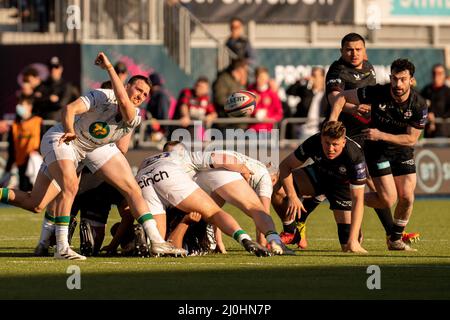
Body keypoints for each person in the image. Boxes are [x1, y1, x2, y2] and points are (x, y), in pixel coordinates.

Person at [0, 52, 183, 260]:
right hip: (63, 138)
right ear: (126, 86)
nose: (141, 96)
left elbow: (122, 137)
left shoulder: (136, 116)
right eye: (138, 89)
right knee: (68, 187)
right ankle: (61, 248)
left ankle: (157, 241)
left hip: (93, 147)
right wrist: (70, 129)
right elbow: (69, 109)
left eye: (145, 94)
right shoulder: (102, 95)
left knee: (37, 203)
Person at [281, 33, 416, 248]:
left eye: (358, 49)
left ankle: (392, 234)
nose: (354, 53)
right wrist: (353, 108)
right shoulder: (337, 70)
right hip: (342, 136)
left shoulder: (369, 68)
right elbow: (335, 98)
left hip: (365, 136)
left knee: (371, 186)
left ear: (365, 50)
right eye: (349, 50)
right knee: (344, 183)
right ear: (342, 51)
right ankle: (390, 235)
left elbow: (371, 98)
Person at [329, 58, 427, 251]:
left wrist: (381, 134)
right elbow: (341, 97)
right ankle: (348, 199)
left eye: (403, 79)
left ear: (411, 81)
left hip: (402, 150)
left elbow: (411, 139)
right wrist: (332, 121)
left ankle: (395, 240)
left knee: (407, 197)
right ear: (390, 78)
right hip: (377, 150)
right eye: (395, 79)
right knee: (388, 200)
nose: (398, 84)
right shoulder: (377, 92)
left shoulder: (419, 104)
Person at [136, 149, 272, 257]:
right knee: (214, 212)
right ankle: (244, 238)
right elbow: (220, 159)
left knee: (158, 241)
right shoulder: (185, 156)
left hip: (142, 178)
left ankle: (143, 238)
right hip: (167, 172)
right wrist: (243, 169)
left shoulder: (147, 160)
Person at [163, 141, 292, 254]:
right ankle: (274, 241)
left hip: (214, 172)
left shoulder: (163, 165)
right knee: (255, 209)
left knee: (212, 212)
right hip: (224, 170)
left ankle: (232, 240)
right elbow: (223, 159)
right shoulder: (191, 157)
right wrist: (244, 170)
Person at [273, 121, 368, 253]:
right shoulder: (313, 142)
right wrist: (292, 196)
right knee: (276, 186)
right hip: (318, 176)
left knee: (348, 247)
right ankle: (291, 231)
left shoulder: (354, 155)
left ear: (343, 142)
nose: (330, 149)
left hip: (341, 187)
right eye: (327, 143)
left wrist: (353, 240)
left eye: (335, 144)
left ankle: (354, 235)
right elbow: (285, 166)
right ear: (321, 139)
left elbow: (358, 200)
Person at [3, 96, 43, 191]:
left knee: (36, 189)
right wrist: (9, 167)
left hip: (35, 161)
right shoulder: (15, 125)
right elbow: (12, 148)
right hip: (21, 161)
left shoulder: (38, 121)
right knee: (24, 191)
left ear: (30, 106)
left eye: (22, 104)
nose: (19, 107)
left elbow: (43, 139)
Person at [286, 66, 328, 139]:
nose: (312, 78)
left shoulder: (326, 94)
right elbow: (290, 91)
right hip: (304, 129)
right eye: (312, 75)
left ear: (322, 78)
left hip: (319, 129)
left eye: (315, 76)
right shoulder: (306, 91)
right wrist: (300, 81)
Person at [33, 56, 79, 121]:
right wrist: (49, 98)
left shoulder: (67, 86)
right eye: (51, 67)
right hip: (42, 122)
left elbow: (61, 104)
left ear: (61, 69)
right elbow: (35, 103)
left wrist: (43, 98)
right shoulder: (42, 85)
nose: (53, 70)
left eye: (56, 67)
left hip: (60, 123)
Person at [247, 67, 283, 132]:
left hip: (268, 130)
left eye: (262, 77)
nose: (259, 80)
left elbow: (279, 113)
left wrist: (269, 118)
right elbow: (244, 111)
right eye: (257, 77)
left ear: (267, 78)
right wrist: (254, 104)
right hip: (252, 130)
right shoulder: (250, 91)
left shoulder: (272, 94)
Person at [421, 64, 450, 137]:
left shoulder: (448, 92)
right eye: (434, 73)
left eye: (439, 73)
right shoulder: (426, 90)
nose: (436, 76)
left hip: (443, 133)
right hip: (427, 133)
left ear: (444, 75)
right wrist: (428, 115)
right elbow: (419, 106)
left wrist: (435, 118)